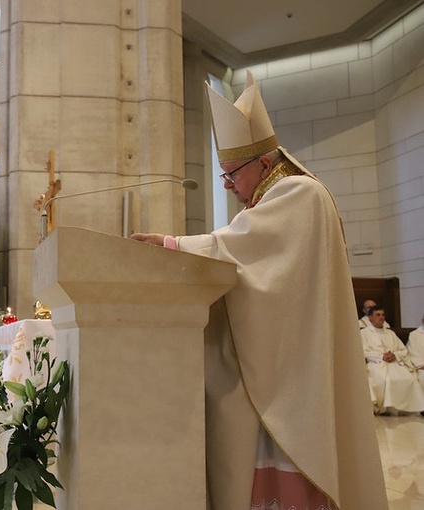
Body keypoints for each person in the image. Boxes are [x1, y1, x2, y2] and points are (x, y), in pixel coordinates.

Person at [131, 71, 388, 509]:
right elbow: (243, 251)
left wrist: (171, 244)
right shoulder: (272, 200)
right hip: (281, 362)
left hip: (293, 371)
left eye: (231, 175)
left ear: (265, 165)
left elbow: (238, 248)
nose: (228, 186)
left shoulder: (299, 194)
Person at [362, 308, 424, 414]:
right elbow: (363, 352)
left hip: (394, 363)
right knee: (387, 379)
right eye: (378, 315)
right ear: (370, 318)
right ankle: (388, 407)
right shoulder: (364, 333)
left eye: (383, 315)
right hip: (376, 364)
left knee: (408, 379)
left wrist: (394, 355)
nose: (381, 317)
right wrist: (381, 356)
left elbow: (403, 350)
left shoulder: (390, 333)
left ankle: (405, 409)